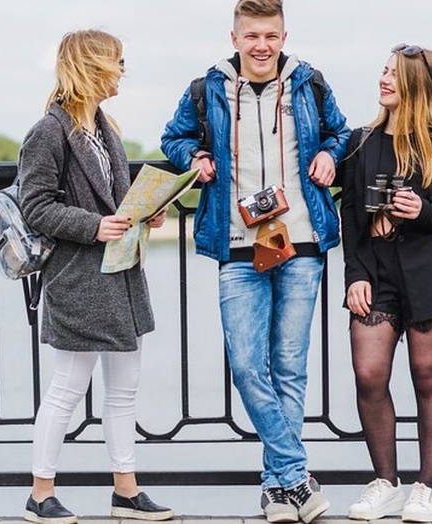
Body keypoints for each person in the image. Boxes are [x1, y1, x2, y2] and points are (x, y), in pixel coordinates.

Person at [160, 1, 350, 522]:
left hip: (302, 240)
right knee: (247, 366)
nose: (261, 46)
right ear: (235, 36)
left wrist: (331, 153)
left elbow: (341, 132)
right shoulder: (207, 88)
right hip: (238, 242)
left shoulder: (310, 83)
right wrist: (194, 158)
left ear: (284, 35)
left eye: (271, 35)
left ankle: (276, 490)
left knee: (289, 367)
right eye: (252, 36)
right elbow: (173, 137)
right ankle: (296, 475)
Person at [18, 29, 174, 524]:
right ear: (93, 67)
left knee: (124, 390)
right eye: (118, 62)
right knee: (66, 389)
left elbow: (115, 201)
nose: (123, 71)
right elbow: (35, 205)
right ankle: (40, 494)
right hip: (80, 279)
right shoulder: (48, 132)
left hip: (121, 275)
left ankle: (125, 491)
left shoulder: (106, 129)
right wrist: (94, 226)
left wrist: (147, 212)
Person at [340, 44, 432, 523]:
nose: (384, 80)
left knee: (429, 377)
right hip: (376, 272)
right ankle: (385, 483)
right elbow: (351, 212)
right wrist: (354, 274)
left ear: (417, 84)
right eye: (384, 70)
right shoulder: (361, 140)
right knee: (369, 374)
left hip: (430, 270)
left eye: (394, 75)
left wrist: (421, 212)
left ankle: (426, 489)